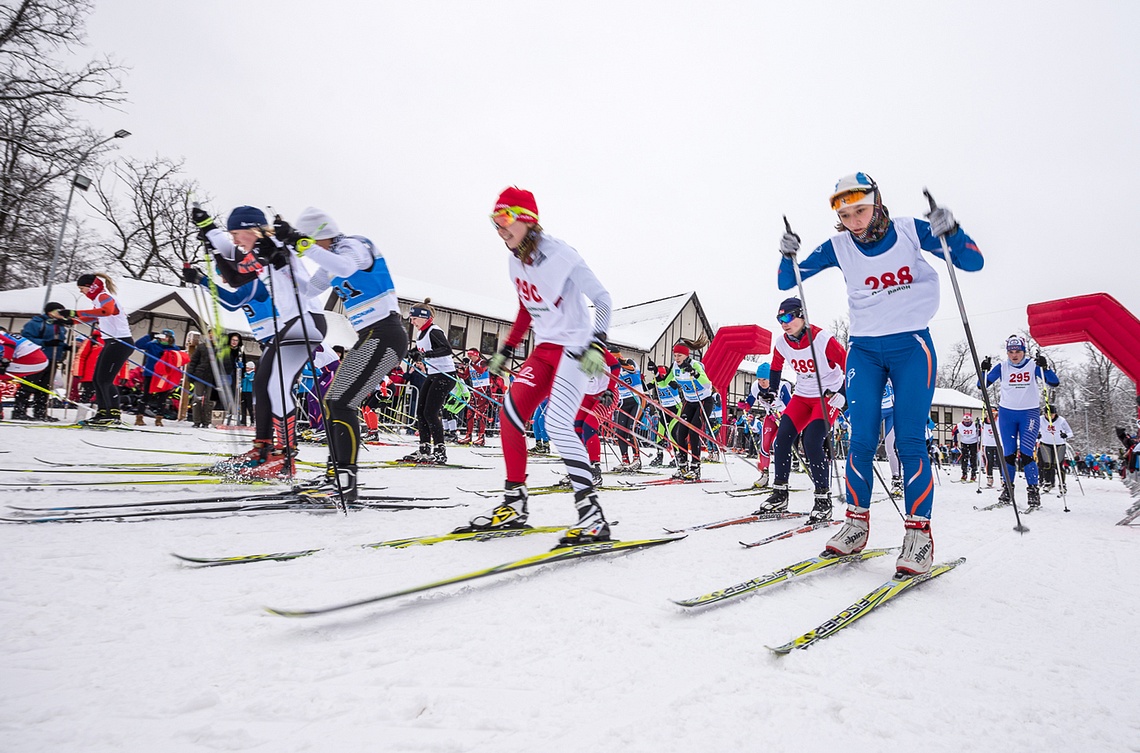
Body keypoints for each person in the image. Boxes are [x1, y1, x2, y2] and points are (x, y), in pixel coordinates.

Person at [778, 172, 983, 576]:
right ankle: (855, 524)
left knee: (908, 440)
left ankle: (918, 536)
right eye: (846, 213)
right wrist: (787, 256)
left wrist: (953, 232)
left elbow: (972, 262)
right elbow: (789, 280)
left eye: (861, 210)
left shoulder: (908, 231)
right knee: (860, 439)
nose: (854, 220)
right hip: (865, 350)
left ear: (876, 202)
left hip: (911, 346)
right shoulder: (839, 246)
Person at [462, 186, 614, 546]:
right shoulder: (514, 259)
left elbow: (603, 299)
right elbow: (525, 306)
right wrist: (508, 348)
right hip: (544, 349)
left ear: (527, 220)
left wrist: (598, 341)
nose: (499, 230)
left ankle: (593, 518)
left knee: (560, 424)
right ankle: (514, 504)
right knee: (510, 415)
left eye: (505, 221)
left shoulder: (561, 254)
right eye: (494, 222)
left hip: (575, 346)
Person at [277, 206, 408, 498]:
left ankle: (345, 480)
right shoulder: (330, 259)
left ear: (320, 235)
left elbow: (347, 268)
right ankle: (335, 473)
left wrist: (302, 244)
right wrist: (281, 265)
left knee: (340, 402)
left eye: (311, 242)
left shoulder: (354, 245)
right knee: (333, 402)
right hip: (371, 336)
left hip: (387, 334)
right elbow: (309, 291)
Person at [191, 204, 327, 478]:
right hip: (293, 324)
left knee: (276, 386)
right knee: (264, 386)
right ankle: (262, 449)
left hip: (307, 320)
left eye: (236, 234)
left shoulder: (272, 244)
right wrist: (208, 229)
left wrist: (213, 258)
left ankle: (284, 458)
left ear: (251, 229)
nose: (234, 240)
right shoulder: (255, 252)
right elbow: (232, 266)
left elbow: (236, 280)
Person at [752, 298, 847, 522]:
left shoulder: (823, 339)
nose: (784, 323)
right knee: (782, 439)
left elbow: (849, 364)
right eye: (779, 319)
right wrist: (772, 391)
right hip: (802, 396)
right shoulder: (782, 342)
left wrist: (844, 392)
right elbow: (775, 368)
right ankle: (780, 494)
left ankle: (823, 499)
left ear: (802, 316)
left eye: (788, 317)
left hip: (826, 397)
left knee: (812, 442)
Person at [980, 337, 1060, 507]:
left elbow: (1054, 382)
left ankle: (1033, 491)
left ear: (1024, 351)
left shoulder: (1032, 365)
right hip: (1007, 414)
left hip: (1028, 414)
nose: (1014, 355)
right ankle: (1007, 490)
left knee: (1026, 453)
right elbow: (982, 385)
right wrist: (983, 371)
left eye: (1018, 352)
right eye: (1011, 352)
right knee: (1008, 454)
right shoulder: (1002, 366)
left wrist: (1045, 367)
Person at [49, 273, 133, 426]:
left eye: (82, 288)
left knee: (106, 380)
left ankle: (113, 414)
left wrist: (75, 313)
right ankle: (103, 412)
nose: (81, 292)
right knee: (97, 379)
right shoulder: (98, 300)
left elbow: (106, 311)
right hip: (111, 342)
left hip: (120, 342)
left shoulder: (103, 296)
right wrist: (70, 321)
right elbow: (95, 317)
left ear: (90, 287)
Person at [403, 299, 455, 464]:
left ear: (424, 317)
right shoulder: (421, 333)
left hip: (445, 375)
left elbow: (446, 349)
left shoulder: (434, 330)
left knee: (430, 412)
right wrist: (413, 352)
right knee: (420, 412)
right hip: (434, 374)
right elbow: (422, 349)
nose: (412, 322)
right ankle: (424, 448)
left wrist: (425, 356)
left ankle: (440, 450)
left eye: (414, 319)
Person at [13, 301, 70, 421]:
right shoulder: (37, 323)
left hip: (52, 358)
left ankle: (40, 411)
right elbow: (26, 338)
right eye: (58, 312)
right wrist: (44, 343)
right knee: (29, 384)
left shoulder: (60, 326)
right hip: (37, 359)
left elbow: (57, 340)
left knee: (45, 386)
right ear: (50, 312)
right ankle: (19, 410)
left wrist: (64, 347)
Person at [669, 335, 714, 480]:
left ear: (686, 355)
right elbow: (665, 382)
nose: (676, 358)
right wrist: (657, 375)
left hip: (703, 401)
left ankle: (695, 467)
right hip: (689, 402)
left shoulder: (696, 365)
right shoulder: (675, 366)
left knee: (694, 431)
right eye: (675, 355)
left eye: (679, 355)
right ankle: (682, 466)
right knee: (680, 433)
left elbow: (707, 384)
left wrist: (695, 374)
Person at [611, 348, 644, 471]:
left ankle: (637, 459)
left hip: (636, 400)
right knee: (620, 432)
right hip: (623, 402)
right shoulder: (612, 369)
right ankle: (625, 460)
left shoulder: (629, 361)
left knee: (631, 430)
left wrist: (618, 362)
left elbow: (632, 369)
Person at [1038, 408, 1072, 493]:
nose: (1050, 416)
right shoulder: (1040, 419)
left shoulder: (1061, 421)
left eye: (1052, 414)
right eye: (1048, 415)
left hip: (1059, 444)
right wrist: (1037, 434)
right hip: (1045, 443)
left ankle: (1062, 484)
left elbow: (1070, 433)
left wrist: (1065, 435)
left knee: (1058, 465)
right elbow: (1034, 429)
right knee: (1047, 463)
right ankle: (1048, 483)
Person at [880, 381, 903, 496]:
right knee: (865, 444)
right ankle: (859, 480)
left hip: (892, 412)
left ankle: (897, 480)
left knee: (890, 447)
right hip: (875, 410)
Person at [953, 412, 980, 482]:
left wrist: (979, 426)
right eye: (965, 419)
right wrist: (955, 442)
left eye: (968, 420)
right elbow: (954, 432)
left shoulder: (975, 425)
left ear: (971, 420)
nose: (966, 421)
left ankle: (973, 474)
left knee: (973, 458)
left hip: (973, 442)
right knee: (964, 458)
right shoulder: (959, 425)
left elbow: (980, 432)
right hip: (964, 442)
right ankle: (964, 474)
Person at [980, 408, 1000, 488]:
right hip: (988, 444)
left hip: (998, 444)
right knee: (989, 461)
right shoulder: (983, 422)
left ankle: (1003, 480)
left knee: (1000, 462)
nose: (992, 416)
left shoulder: (999, 420)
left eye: (994, 413)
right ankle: (989, 479)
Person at [240, 361, 256, 426]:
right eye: (246, 368)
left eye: (248, 368)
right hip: (244, 391)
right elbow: (243, 381)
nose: (247, 369)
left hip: (250, 392)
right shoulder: (244, 374)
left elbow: (251, 379)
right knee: (243, 406)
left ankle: (252, 420)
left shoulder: (253, 374)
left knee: (250, 407)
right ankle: (243, 421)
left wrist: (247, 376)